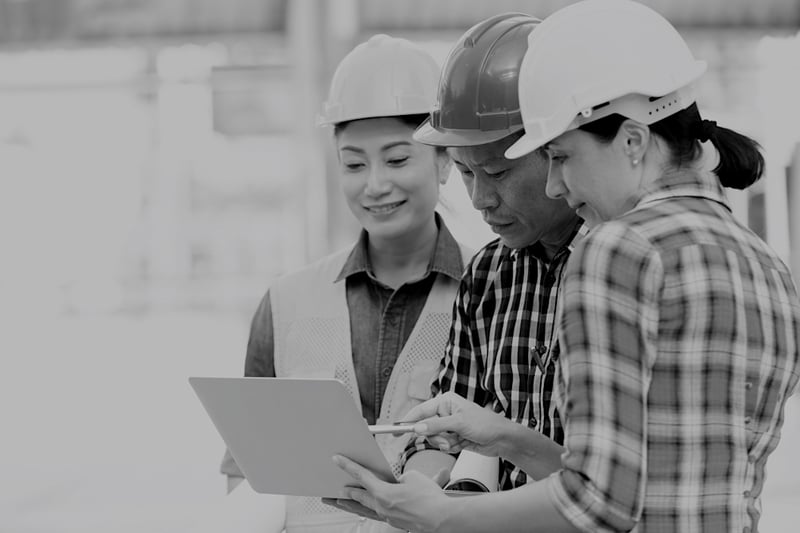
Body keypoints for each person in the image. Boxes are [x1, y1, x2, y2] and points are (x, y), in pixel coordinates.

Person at [326, 1, 800, 532]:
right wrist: (503, 437)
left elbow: (596, 504)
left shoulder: (619, 249)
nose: (555, 182)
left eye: (560, 156)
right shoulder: (768, 267)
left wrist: (443, 516)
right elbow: (643, 488)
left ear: (632, 141)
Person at [219, 34, 473, 533]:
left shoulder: (493, 293)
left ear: (444, 160)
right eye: (354, 164)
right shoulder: (285, 303)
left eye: (398, 159)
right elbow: (243, 468)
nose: (374, 184)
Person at [399, 12, 585, 489]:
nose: (479, 199)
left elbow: (610, 486)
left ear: (558, 147)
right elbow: (441, 431)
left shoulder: (619, 266)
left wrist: (505, 440)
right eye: (464, 171)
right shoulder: (489, 275)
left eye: (497, 173)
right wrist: (417, 492)